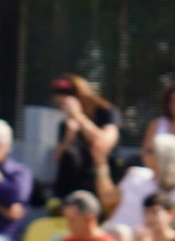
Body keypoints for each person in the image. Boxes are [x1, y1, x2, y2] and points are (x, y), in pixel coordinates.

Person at [96, 133, 175, 241]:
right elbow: (107, 199)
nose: (144, 152)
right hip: (110, 236)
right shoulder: (135, 174)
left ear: (165, 156)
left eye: (151, 150)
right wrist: (101, 163)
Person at [51, 74, 122, 204]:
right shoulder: (66, 123)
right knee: (70, 156)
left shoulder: (107, 112)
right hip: (76, 181)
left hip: (102, 174)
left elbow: (103, 144)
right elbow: (58, 159)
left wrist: (79, 117)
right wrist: (69, 136)